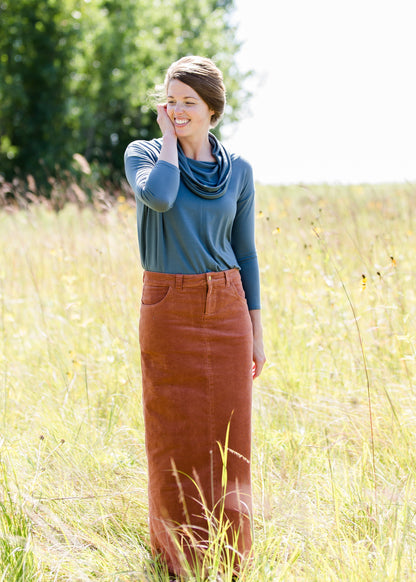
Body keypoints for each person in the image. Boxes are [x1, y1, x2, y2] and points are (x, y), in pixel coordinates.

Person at [124, 55, 266, 579]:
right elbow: (160, 199)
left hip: (227, 306)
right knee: (173, 433)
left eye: (188, 103)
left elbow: (246, 253)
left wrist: (256, 330)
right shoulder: (144, 155)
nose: (176, 110)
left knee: (230, 436)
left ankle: (230, 558)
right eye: (170, 100)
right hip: (167, 306)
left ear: (211, 110)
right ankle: (178, 559)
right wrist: (167, 140)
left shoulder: (240, 172)